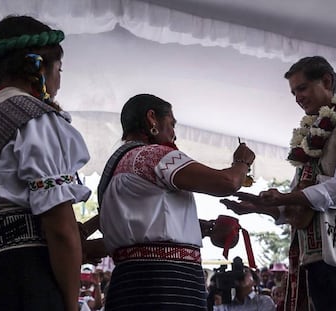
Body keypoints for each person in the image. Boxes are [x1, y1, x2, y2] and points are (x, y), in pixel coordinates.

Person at [221, 56, 336, 311]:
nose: (297, 98)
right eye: (293, 92)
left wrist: (282, 198)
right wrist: (258, 206)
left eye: (302, 88)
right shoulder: (310, 138)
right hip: (317, 257)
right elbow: (298, 201)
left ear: (326, 81)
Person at [98, 93, 255, 310]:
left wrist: (192, 226)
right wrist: (242, 162)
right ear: (152, 118)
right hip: (168, 282)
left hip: (128, 282)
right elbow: (227, 182)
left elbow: (144, 222)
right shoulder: (154, 155)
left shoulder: (117, 166)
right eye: (171, 124)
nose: (174, 134)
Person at [0, 15, 91, 310]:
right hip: (23, 276)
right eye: (59, 69)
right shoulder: (34, 121)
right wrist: (72, 305)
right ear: (39, 68)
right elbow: (60, 228)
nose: (59, 78)